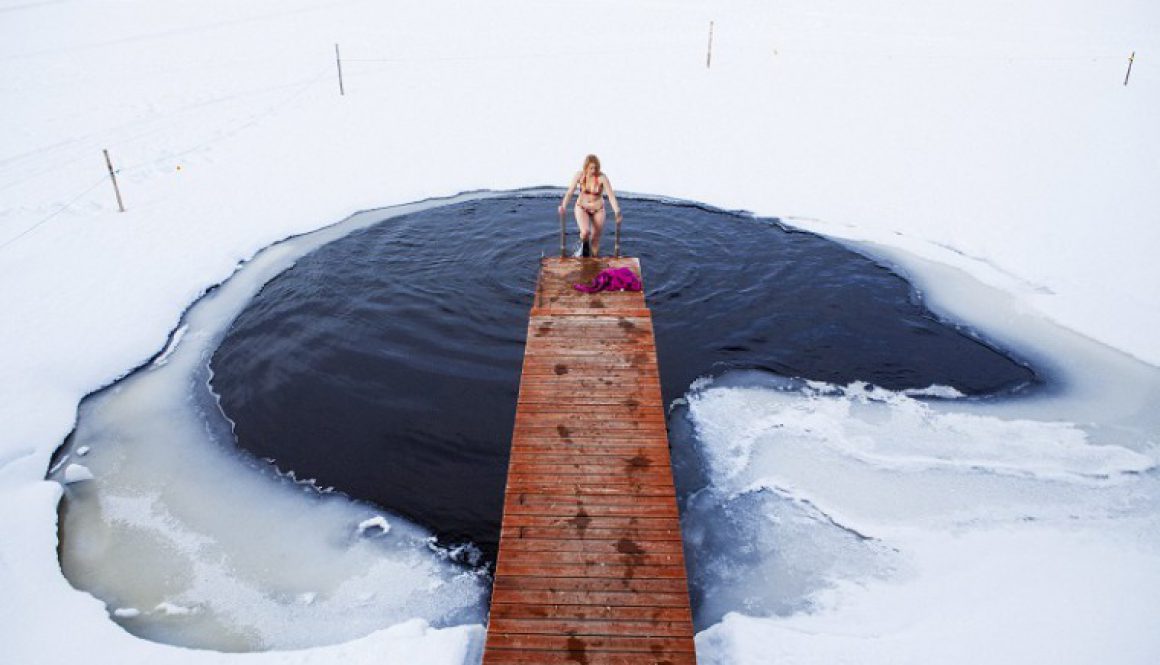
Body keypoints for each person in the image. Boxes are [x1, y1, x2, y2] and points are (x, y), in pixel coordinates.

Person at [559, 154, 622, 257]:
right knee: (585, 232)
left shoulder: (602, 177)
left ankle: (594, 262)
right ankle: (584, 247)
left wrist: (617, 211)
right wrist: (563, 205)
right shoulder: (579, 175)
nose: (594, 170)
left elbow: (611, 196)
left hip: (598, 209)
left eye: (596, 167)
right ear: (586, 167)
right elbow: (570, 192)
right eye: (591, 168)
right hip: (582, 207)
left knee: (595, 238)